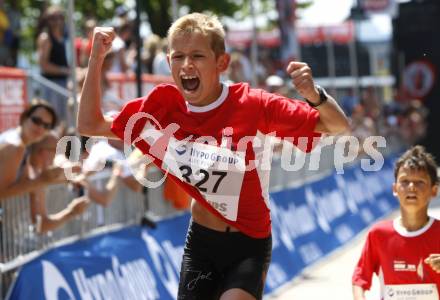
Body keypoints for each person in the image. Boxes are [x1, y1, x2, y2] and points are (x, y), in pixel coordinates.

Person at [78, 13, 349, 300]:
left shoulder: (253, 104)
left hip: (250, 242)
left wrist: (314, 94)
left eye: (197, 55)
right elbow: (90, 125)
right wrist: (95, 58)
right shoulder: (160, 108)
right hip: (201, 244)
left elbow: (337, 126)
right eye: (178, 56)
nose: (187, 65)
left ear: (222, 63)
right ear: (168, 63)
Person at [352, 145, 440, 300]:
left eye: (419, 182)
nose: (411, 187)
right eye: (404, 181)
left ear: (434, 190)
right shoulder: (379, 234)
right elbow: (359, 279)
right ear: (395, 188)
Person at [0, 99, 64, 201]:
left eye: (46, 126)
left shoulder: (21, 143)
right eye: (36, 121)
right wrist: (42, 179)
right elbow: (1, 193)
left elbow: (24, 181)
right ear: (24, 117)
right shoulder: (15, 146)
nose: (41, 128)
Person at [28, 132, 90, 233]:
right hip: (24, 246)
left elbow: (55, 172)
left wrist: (70, 178)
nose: (58, 155)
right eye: (56, 150)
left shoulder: (34, 174)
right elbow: (40, 227)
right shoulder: (33, 178)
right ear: (43, 152)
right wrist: (72, 212)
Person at [37, 5, 70, 124]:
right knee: (52, 120)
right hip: (51, 86)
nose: (57, 21)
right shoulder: (46, 38)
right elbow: (44, 66)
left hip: (63, 84)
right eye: (53, 17)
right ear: (48, 20)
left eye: (60, 17)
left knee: (64, 122)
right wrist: (64, 70)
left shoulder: (64, 38)